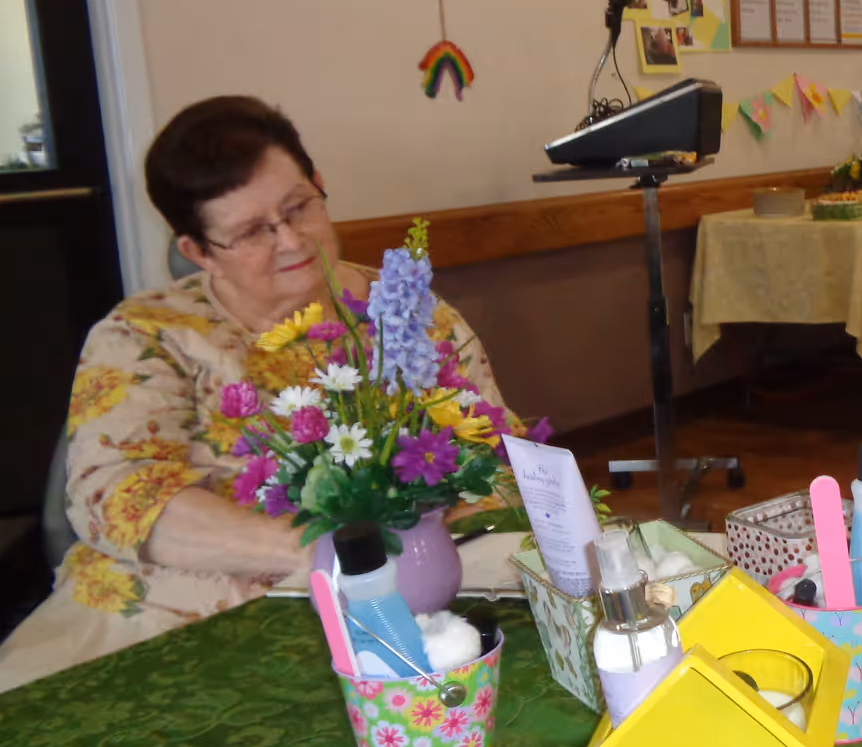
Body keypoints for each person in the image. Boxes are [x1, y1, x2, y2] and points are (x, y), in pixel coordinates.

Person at [0, 97, 530, 693]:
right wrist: (335, 562)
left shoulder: (410, 316)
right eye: (252, 231)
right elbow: (117, 495)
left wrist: (429, 556)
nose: (291, 240)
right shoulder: (148, 335)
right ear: (197, 251)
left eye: (299, 206)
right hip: (171, 609)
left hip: (413, 603)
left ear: (319, 185)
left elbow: (499, 454)